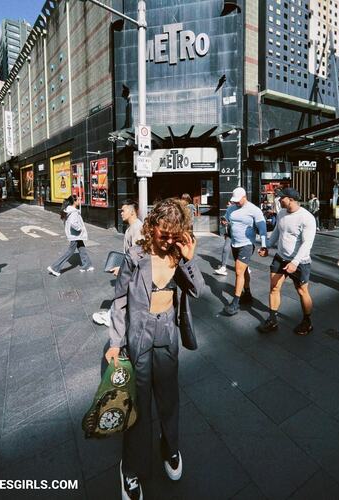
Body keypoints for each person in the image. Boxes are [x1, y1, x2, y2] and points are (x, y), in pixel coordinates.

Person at [105, 198, 204, 500]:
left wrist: (189, 259)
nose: (168, 240)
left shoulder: (178, 255)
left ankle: (170, 448)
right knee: (138, 405)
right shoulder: (135, 256)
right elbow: (119, 301)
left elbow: (198, 291)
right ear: (151, 227)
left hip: (167, 333)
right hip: (138, 335)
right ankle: (131, 469)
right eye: (164, 234)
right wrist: (115, 342)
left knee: (169, 398)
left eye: (174, 235)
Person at [258, 187, 316, 335]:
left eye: (281, 197)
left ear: (290, 199)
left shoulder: (306, 218)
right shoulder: (282, 213)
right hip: (280, 257)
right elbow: (277, 231)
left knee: (302, 291)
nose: (279, 200)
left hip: (300, 262)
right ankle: (272, 320)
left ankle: (307, 322)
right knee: (274, 287)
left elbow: (307, 244)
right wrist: (267, 246)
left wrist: (295, 262)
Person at [92, 199, 143, 327]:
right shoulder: (131, 228)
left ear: (132, 212)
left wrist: (122, 269)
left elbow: (138, 256)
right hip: (131, 269)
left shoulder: (137, 228)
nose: (121, 213)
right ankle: (114, 316)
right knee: (124, 294)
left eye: (123, 210)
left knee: (122, 293)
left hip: (134, 271)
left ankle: (112, 318)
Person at [223, 187, 267, 315]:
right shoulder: (231, 208)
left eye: (238, 200)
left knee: (238, 271)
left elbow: (262, 228)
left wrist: (264, 245)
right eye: (234, 200)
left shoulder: (254, 210)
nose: (236, 202)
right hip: (235, 243)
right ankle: (247, 293)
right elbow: (226, 219)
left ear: (244, 197)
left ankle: (235, 303)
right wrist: (224, 222)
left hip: (247, 244)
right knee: (244, 270)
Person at [47, 195, 94, 276]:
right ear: (74, 202)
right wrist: (79, 229)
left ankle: (87, 265)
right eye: (78, 200)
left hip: (75, 235)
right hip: (75, 235)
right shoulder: (73, 212)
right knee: (70, 252)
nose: (80, 201)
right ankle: (55, 268)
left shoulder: (68, 210)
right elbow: (73, 223)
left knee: (81, 248)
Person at [215, 202, 232, 276]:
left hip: (238, 236)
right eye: (227, 204)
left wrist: (228, 223)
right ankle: (223, 267)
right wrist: (223, 222)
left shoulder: (238, 212)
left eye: (229, 204)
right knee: (226, 248)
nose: (227, 205)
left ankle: (245, 267)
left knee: (239, 252)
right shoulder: (227, 212)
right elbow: (224, 224)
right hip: (230, 235)